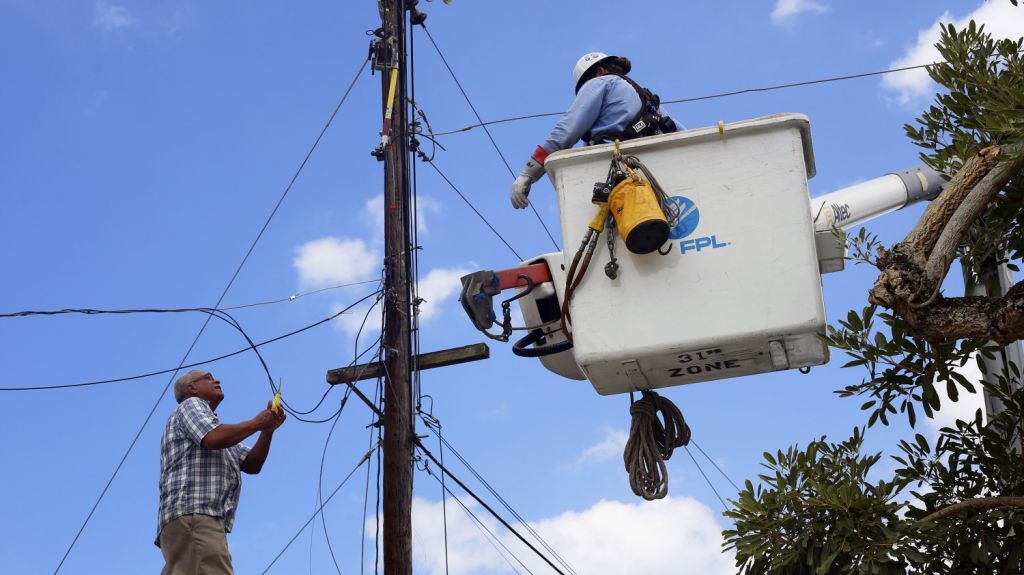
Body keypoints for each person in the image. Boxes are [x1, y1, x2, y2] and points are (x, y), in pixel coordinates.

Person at [510, 52, 685, 209]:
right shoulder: (648, 100)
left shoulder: (600, 82)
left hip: (615, 170)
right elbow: (681, 134)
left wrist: (529, 173)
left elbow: (567, 130)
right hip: (659, 177)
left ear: (600, 72)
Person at [156, 370, 286, 574]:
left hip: (194, 518)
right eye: (208, 377)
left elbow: (252, 464)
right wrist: (256, 423)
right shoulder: (191, 406)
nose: (217, 380)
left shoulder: (218, 430)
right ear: (192, 388)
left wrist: (267, 430)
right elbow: (212, 438)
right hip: (195, 514)